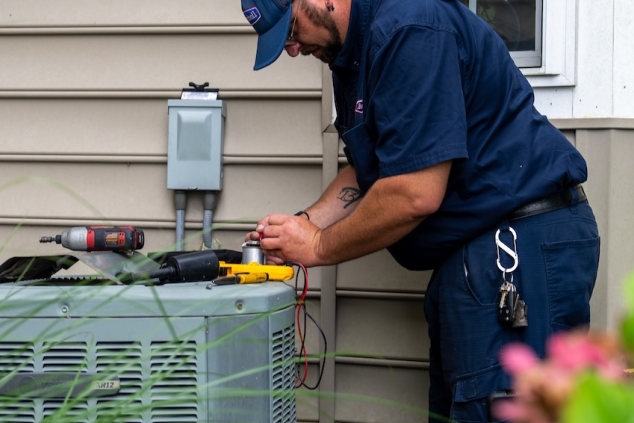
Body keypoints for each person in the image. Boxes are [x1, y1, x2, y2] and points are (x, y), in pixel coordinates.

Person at [239, 0, 600, 421]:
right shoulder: (351, 56)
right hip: (475, 254)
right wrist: (305, 224)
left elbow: (415, 192)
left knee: (499, 409)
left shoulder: (409, 26)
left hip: (518, 247)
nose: (293, 49)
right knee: (460, 410)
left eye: (291, 30)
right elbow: (371, 169)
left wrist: (317, 246)